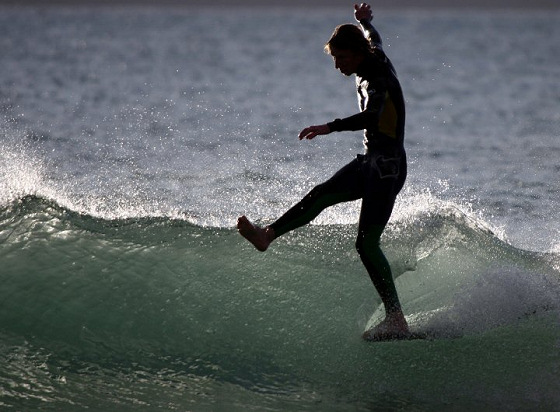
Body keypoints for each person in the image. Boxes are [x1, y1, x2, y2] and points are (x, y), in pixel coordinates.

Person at [237, 3, 409, 340]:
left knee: (366, 243)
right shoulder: (371, 54)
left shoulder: (378, 78)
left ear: (357, 54)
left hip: (387, 168)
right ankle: (267, 236)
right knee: (320, 194)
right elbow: (374, 38)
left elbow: (373, 116)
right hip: (373, 160)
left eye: (342, 58)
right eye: (335, 58)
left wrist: (330, 127)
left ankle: (396, 319)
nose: (337, 65)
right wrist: (365, 22)